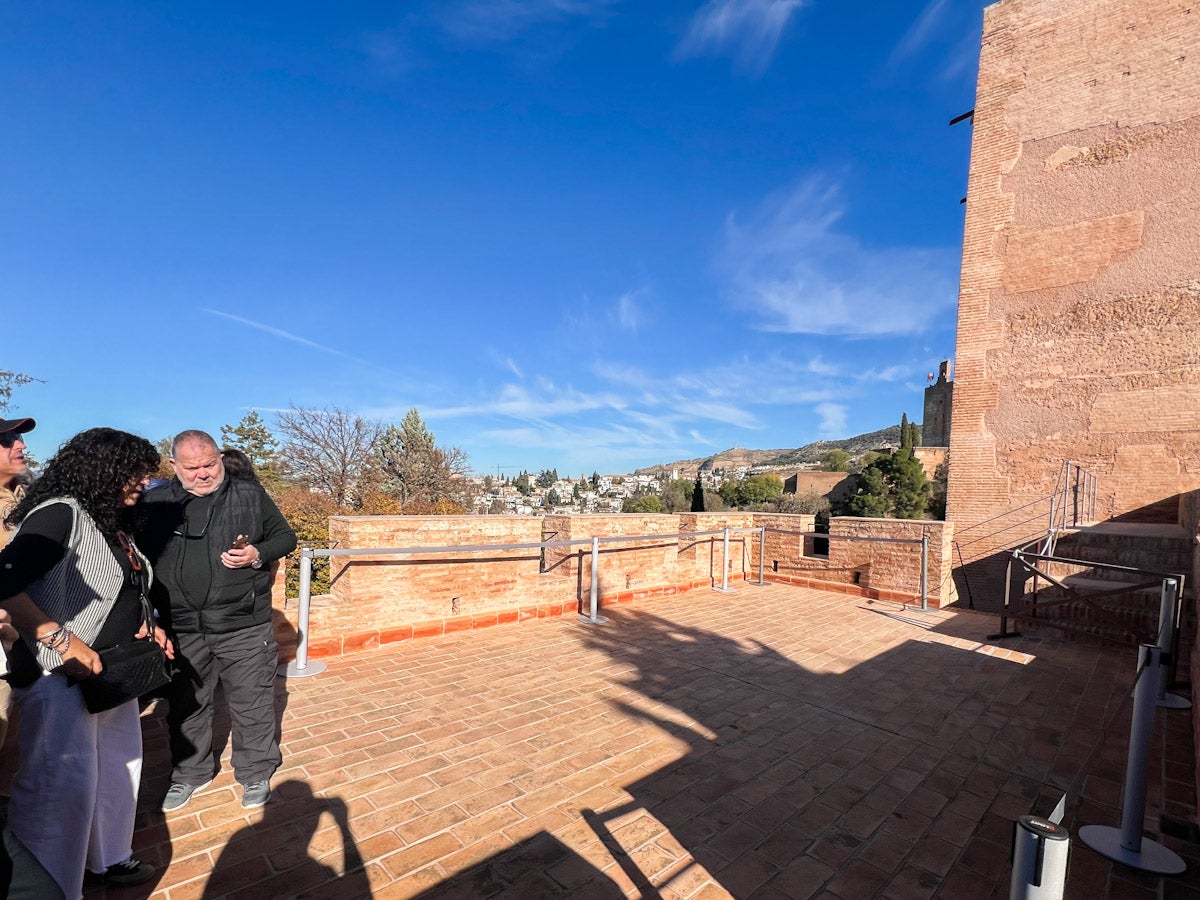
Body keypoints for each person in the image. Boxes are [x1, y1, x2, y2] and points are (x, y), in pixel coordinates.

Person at [0, 427, 169, 898]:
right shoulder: (59, 514)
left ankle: (107, 860)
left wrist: (146, 621)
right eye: (135, 472)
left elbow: (125, 582)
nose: (143, 481)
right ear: (103, 469)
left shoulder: (108, 518)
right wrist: (59, 638)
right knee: (61, 787)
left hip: (113, 673)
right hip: (60, 678)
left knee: (118, 770)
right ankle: (52, 886)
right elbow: (4, 581)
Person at [140, 430, 296, 812]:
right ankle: (189, 774)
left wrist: (258, 552)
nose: (203, 474)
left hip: (243, 622)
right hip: (181, 627)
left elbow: (285, 538)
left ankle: (256, 771)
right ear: (174, 466)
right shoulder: (155, 502)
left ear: (221, 459)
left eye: (210, 464)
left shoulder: (248, 494)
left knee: (252, 701)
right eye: (192, 468)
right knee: (186, 705)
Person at [0, 417, 35, 755]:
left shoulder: (29, 492)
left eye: (19, 437)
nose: (20, 445)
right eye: (8, 439)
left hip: (38, 633)